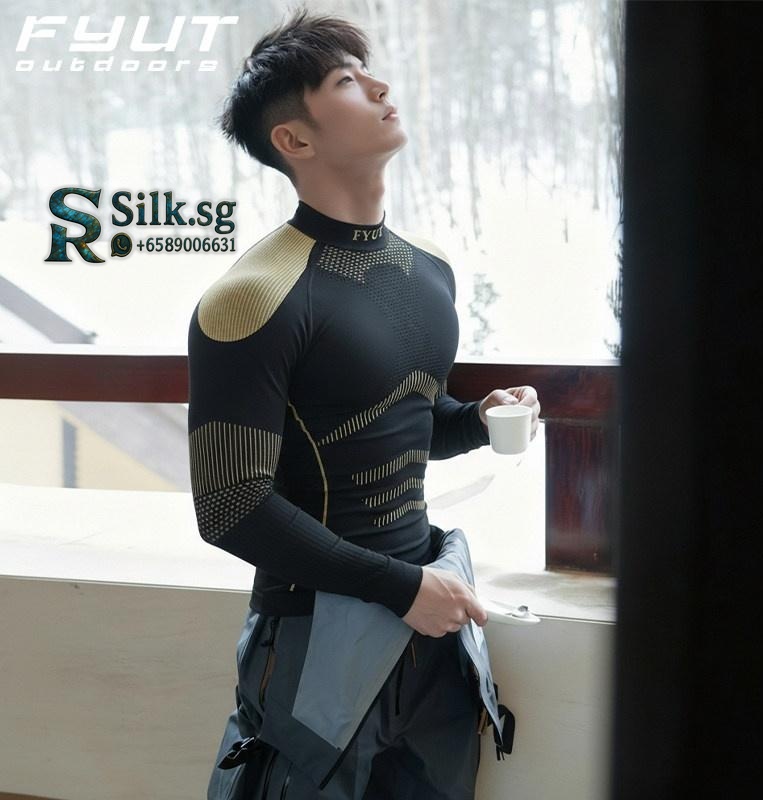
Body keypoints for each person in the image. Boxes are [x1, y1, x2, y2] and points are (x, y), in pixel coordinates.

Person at [187, 6, 540, 798]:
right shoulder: (253, 297)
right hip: (318, 630)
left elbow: (404, 426)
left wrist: (477, 420)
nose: (381, 88)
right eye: (347, 81)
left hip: (430, 620)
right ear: (295, 140)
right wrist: (401, 589)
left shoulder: (428, 271)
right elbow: (231, 506)